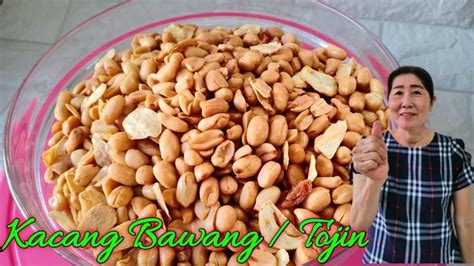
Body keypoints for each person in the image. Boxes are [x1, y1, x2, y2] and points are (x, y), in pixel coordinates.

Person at [350, 66, 473, 263]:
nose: (406, 102)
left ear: (431, 102)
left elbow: (465, 222)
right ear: (388, 102)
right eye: (398, 93)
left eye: (416, 92)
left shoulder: (453, 152)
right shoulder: (369, 149)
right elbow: (358, 224)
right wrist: (374, 181)